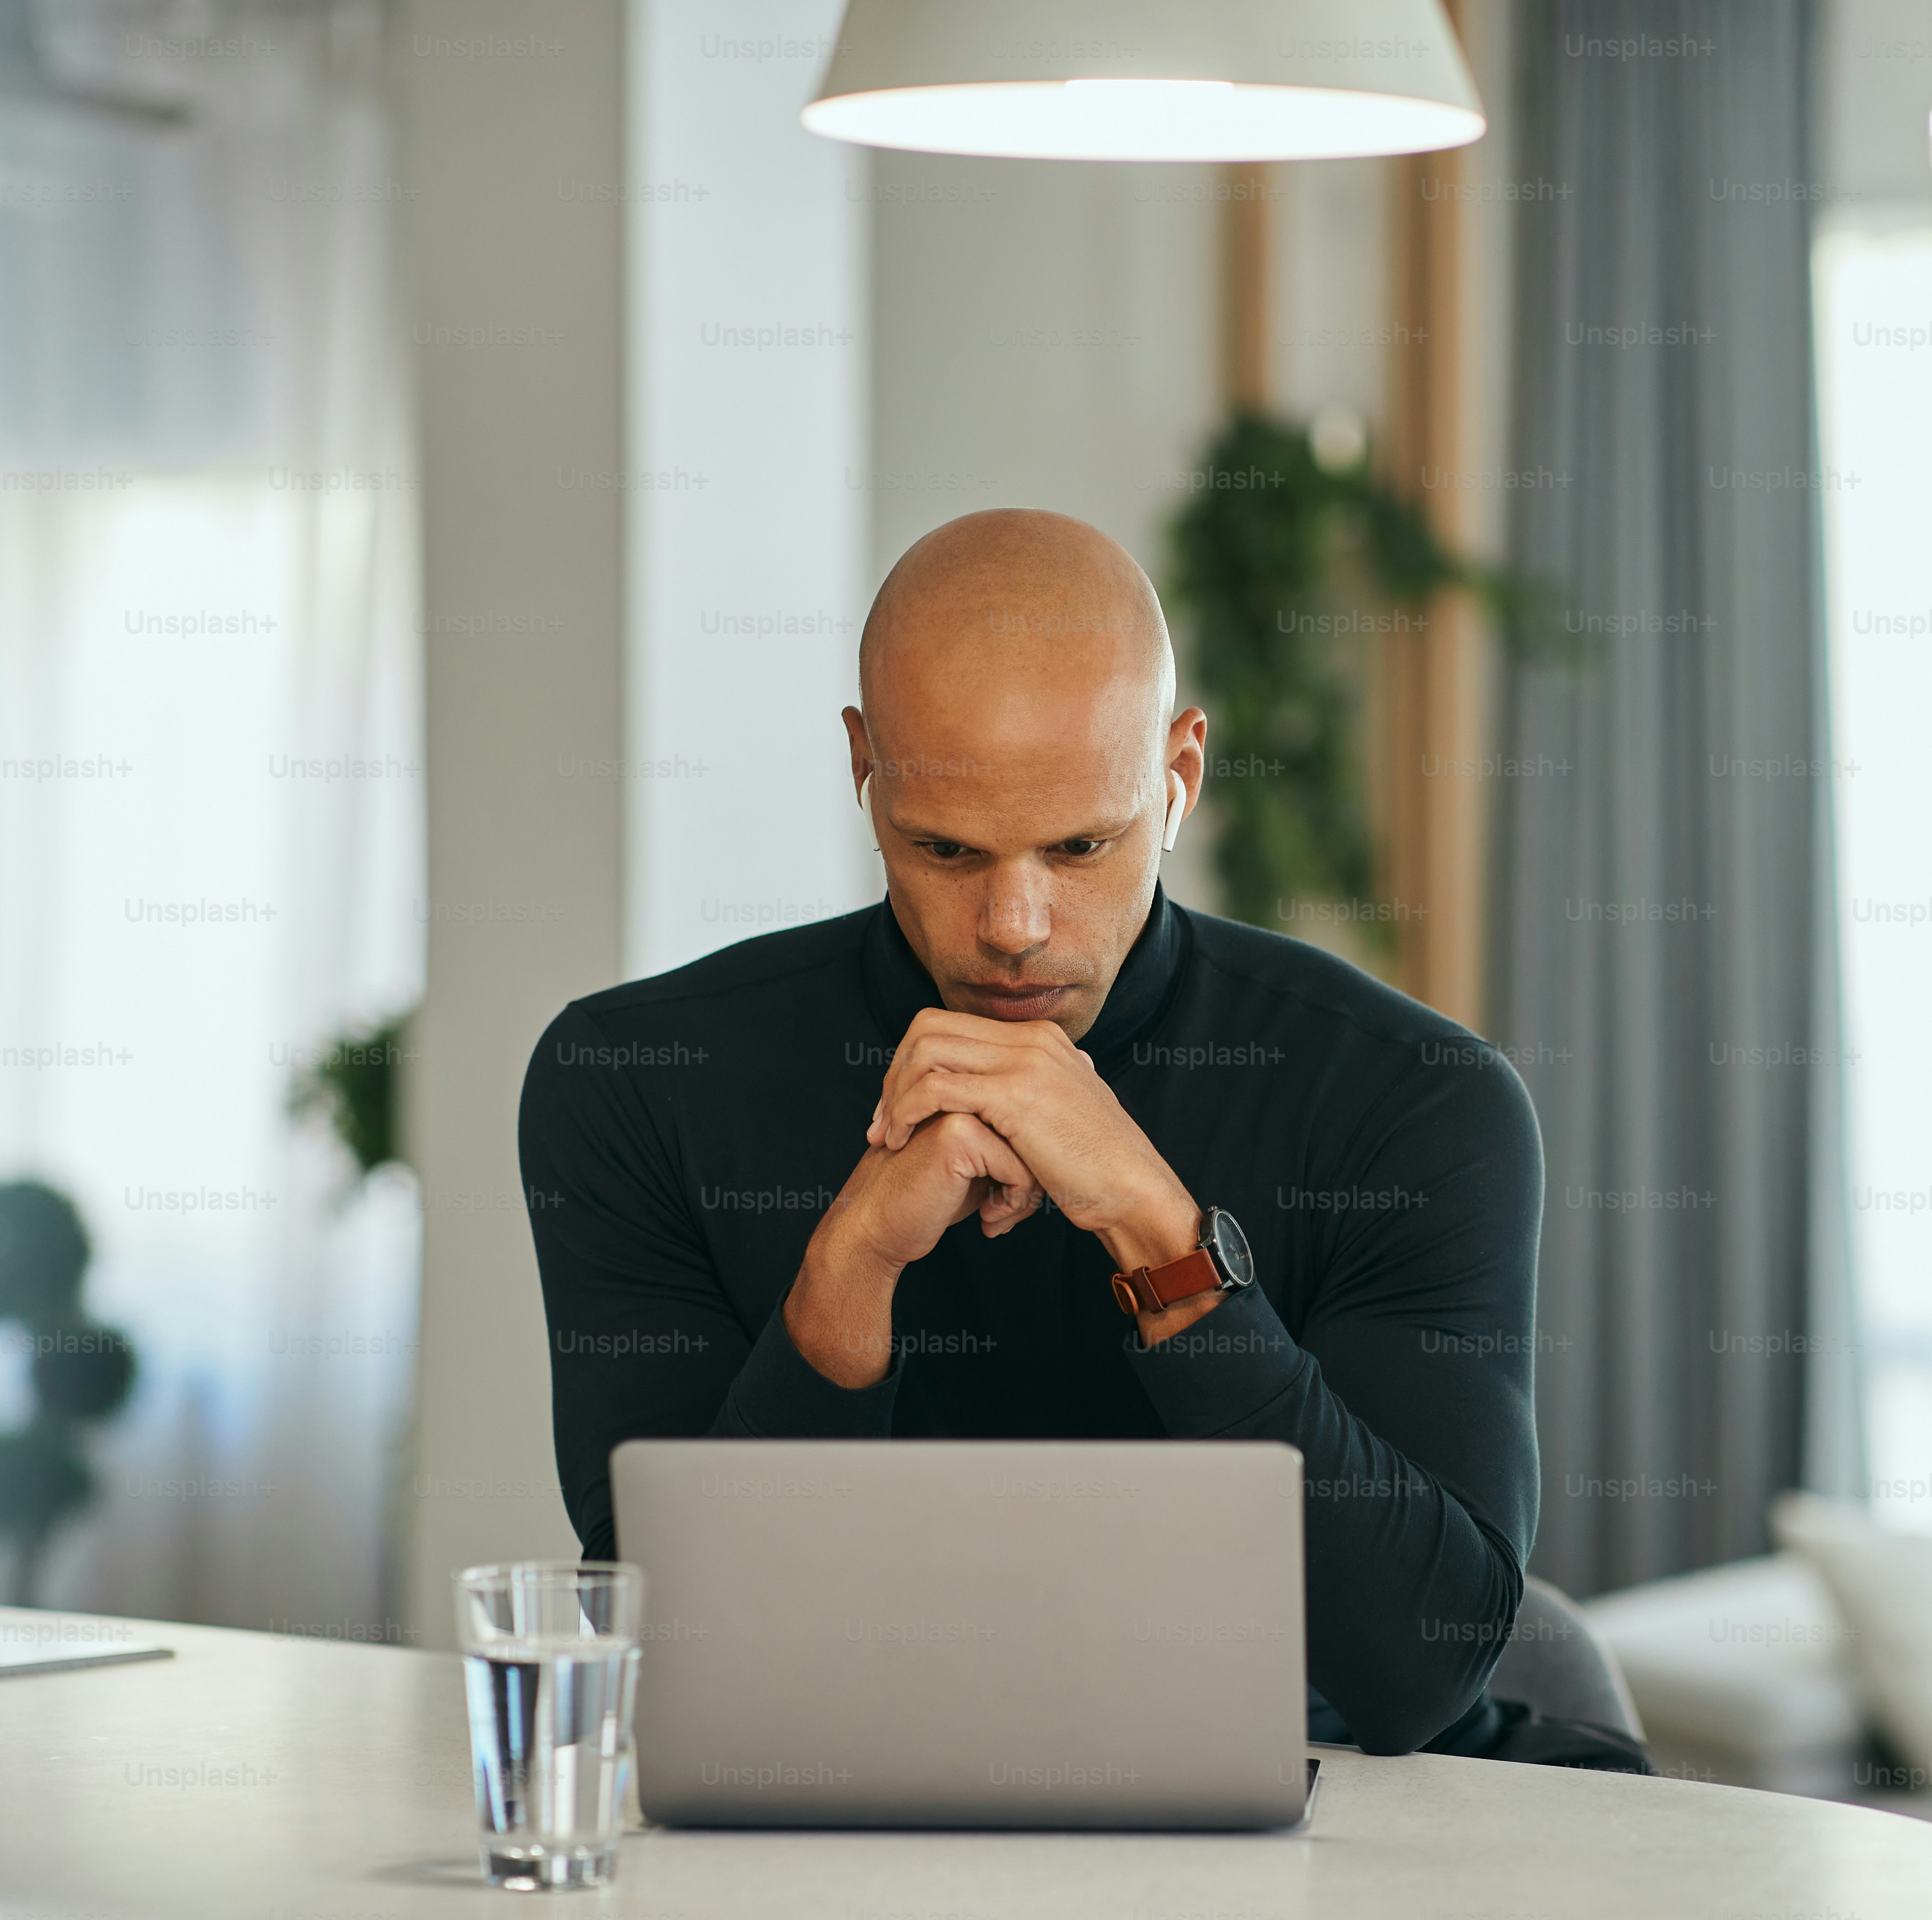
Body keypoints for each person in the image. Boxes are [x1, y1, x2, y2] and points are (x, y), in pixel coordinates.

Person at [520, 508, 1548, 1758]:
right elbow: (664, 1657)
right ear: (864, 767)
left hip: (1326, 1814)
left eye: (1082, 845)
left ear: (1180, 774)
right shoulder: (633, 1081)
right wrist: (844, 1278)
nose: (1014, 924)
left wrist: (1160, 1234)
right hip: (829, 1811)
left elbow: (1417, 1670)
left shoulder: (1415, 1099)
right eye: (944, 848)